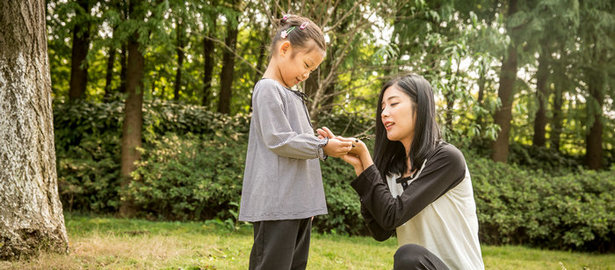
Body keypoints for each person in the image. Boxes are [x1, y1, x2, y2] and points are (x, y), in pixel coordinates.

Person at [319, 74, 484, 269]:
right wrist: (360, 168)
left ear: (420, 107)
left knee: (409, 256)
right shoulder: (393, 170)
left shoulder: (447, 159)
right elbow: (380, 231)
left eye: (393, 104)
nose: (384, 113)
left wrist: (366, 158)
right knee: (409, 256)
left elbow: (392, 216)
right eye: (382, 107)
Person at [238, 14, 353, 270]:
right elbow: (279, 140)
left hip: (296, 205)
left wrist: (319, 142)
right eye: (306, 65)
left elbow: (299, 143)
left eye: (312, 71)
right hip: (277, 205)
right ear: (285, 48)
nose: (306, 75)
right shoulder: (268, 89)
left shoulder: (293, 93)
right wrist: (322, 147)